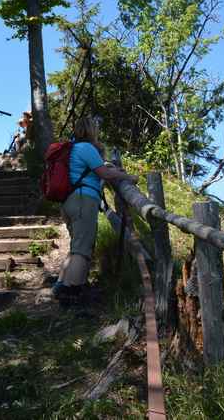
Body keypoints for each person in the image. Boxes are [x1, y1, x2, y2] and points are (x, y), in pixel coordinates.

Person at [53, 116, 138, 306]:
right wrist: (127, 176)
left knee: (77, 246)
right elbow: (105, 173)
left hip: (69, 201)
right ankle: (71, 294)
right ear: (91, 130)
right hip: (83, 200)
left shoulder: (73, 148)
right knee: (82, 250)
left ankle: (62, 284)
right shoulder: (86, 148)